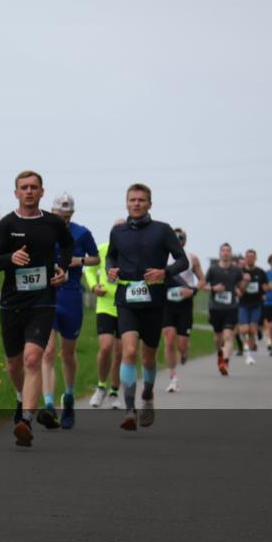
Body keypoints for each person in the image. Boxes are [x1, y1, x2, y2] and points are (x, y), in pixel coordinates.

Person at [0, 170, 71, 447]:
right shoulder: (7, 224)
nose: (29, 191)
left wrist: (63, 268)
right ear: (16, 193)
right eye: (24, 187)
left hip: (42, 300)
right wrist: (11, 257)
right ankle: (21, 400)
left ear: (43, 192)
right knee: (13, 364)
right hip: (12, 302)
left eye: (34, 187)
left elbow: (68, 246)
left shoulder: (54, 223)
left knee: (33, 359)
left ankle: (26, 421)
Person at [106, 183, 188, 431]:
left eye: (141, 200)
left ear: (150, 203)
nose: (137, 204)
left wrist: (165, 272)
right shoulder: (118, 232)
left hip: (154, 299)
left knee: (148, 356)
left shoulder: (162, 230)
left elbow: (182, 260)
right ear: (126, 203)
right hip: (126, 298)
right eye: (132, 200)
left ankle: (148, 395)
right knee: (129, 351)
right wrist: (111, 269)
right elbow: (111, 255)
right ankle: (129, 409)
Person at [39, 193, 99, 430]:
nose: (62, 218)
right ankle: (49, 404)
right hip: (47, 294)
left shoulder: (81, 232)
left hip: (71, 295)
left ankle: (70, 397)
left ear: (72, 214)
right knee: (47, 352)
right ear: (52, 212)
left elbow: (96, 258)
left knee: (67, 353)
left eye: (66, 215)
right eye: (58, 215)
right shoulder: (43, 231)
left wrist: (79, 261)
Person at [83, 224, 126, 409]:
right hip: (105, 305)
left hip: (126, 306)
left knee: (120, 352)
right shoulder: (102, 249)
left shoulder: (132, 251)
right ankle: (101, 387)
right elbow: (90, 270)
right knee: (106, 347)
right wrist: (94, 287)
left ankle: (114, 392)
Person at [161, 228, 205, 393]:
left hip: (185, 304)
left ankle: (185, 352)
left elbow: (202, 280)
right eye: (175, 237)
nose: (178, 240)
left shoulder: (192, 258)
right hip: (167, 303)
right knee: (169, 339)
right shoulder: (162, 257)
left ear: (185, 241)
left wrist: (192, 291)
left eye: (181, 238)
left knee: (181, 344)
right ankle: (173, 378)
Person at [202, 243, 249, 376]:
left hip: (231, 308)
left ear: (231, 254)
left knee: (228, 336)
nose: (226, 253)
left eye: (228, 250)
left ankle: (225, 362)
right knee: (218, 338)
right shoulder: (213, 269)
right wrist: (213, 288)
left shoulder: (236, 270)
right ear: (220, 253)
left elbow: (241, 288)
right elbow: (203, 285)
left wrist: (245, 283)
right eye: (223, 250)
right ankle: (220, 355)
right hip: (215, 308)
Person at [237, 249, 269, 366]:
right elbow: (236, 286)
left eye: (252, 257)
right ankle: (245, 346)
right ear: (245, 259)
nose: (250, 259)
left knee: (252, 330)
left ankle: (249, 354)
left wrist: (267, 289)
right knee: (244, 329)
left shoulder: (260, 272)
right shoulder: (240, 272)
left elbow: (266, 285)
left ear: (255, 258)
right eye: (248, 257)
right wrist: (239, 290)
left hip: (256, 304)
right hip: (243, 304)